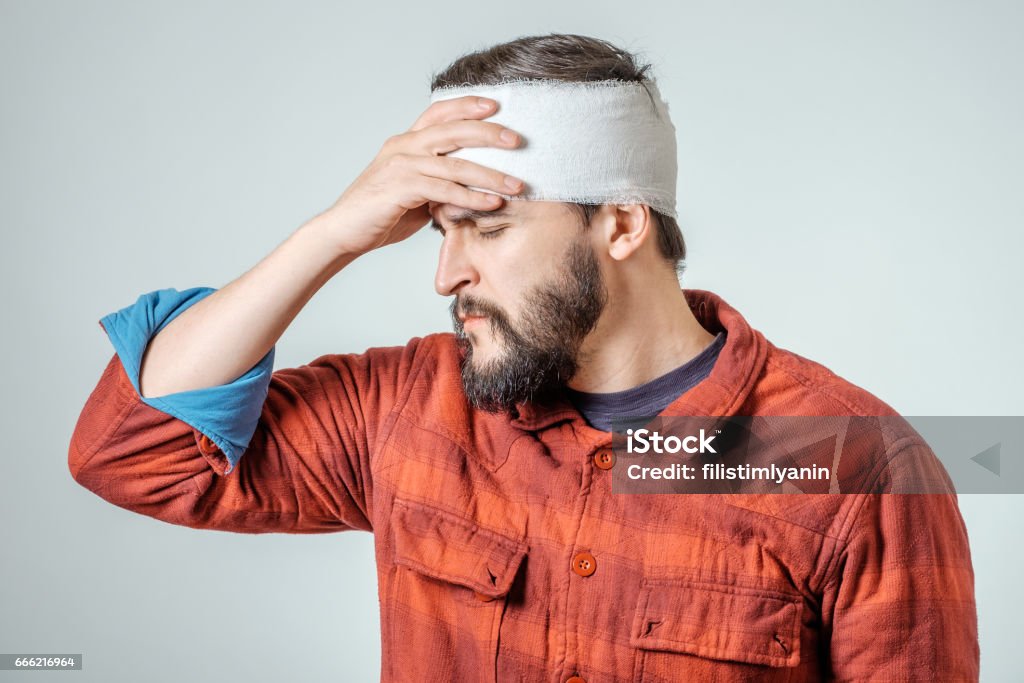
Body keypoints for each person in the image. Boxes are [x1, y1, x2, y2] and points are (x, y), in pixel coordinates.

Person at [69, 34, 978, 682]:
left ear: (620, 223)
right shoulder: (406, 407)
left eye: (489, 229)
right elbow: (133, 453)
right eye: (436, 228)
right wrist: (333, 235)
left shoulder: (855, 461)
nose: (444, 273)